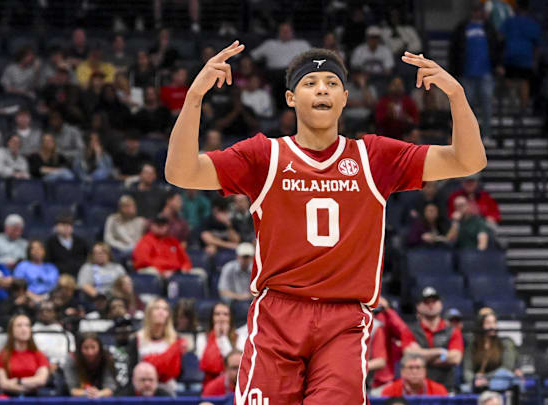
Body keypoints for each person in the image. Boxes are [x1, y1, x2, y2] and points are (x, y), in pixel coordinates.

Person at [164, 41, 486, 404]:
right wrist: (193, 97)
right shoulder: (264, 155)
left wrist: (457, 97)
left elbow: (468, 161)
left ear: (345, 98)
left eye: (331, 83)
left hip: (344, 319)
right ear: (290, 98)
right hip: (278, 314)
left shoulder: (374, 156)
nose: (322, 89)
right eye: (311, 82)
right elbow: (181, 172)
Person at [402, 287, 464, 391]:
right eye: (426, 302)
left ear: (440, 304)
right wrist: (441, 352)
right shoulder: (409, 330)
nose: (431, 305)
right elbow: (408, 355)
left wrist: (420, 355)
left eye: (434, 301)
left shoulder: (452, 331)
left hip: (446, 387)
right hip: (418, 390)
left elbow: (455, 358)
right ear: (418, 307)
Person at [128, 298, 185, 395]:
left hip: (168, 390)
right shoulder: (137, 338)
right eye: (157, 308)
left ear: (168, 315)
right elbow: (132, 370)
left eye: (165, 309)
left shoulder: (176, 340)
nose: (161, 312)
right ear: (149, 313)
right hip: (142, 392)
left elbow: (179, 372)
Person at [464, 312, 522, 393]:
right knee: (465, 387)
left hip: (497, 380)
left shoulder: (504, 343)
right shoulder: (473, 345)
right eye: (488, 323)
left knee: (504, 374)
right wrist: (474, 379)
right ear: (481, 326)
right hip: (477, 382)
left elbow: (506, 367)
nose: (492, 326)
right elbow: (467, 370)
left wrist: (485, 378)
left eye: (494, 323)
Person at [500, 0, 541, 109]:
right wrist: (535, 61)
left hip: (511, 56)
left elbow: (500, 37)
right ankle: (522, 108)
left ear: (516, 8)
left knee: (510, 80)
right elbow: (537, 45)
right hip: (525, 58)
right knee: (524, 82)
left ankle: (513, 100)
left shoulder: (509, 22)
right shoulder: (532, 23)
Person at [0, 315, 50, 396]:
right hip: (9, 397)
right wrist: (26, 386)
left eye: (27, 325)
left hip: (34, 397)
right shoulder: (3, 355)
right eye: (19, 325)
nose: (24, 329)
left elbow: (41, 380)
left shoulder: (38, 354)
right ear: (11, 330)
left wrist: (18, 381)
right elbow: (3, 383)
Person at [196, 302, 243, 386]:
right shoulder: (202, 337)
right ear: (212, 318)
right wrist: (215, 338)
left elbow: (235, 362)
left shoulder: (240, 337)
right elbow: (207, 364)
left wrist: (223, 338)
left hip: (235, 383)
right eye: (217, 314)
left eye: (225, 314)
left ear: (230, 318)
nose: (221, 317)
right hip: (210, 382)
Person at [64, 333, 117, 398]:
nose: (90, 352)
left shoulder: (107, 358)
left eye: (93, 347)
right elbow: (72, 389)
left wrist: (99, 394)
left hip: (102, 397)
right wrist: (86, 393)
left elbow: (110, 387)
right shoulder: (72, 359)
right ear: (79, 349)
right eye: (86, 348)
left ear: (99, 347)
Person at [380, 353, 448, 396]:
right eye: (410, 367)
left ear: (425, 371)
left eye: (418, 367)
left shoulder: (439, 391)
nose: (414, 371)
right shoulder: (389, 391)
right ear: (402, 371)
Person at [44, 213, 89, 278]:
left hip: (78, 274)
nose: (66, 227)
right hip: (59, 275)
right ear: (56, 227)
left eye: (69, 225)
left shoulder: (80, 241)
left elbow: (85, 258)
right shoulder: (50, 242)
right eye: (63, 225)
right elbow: (48, 262)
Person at [104, 195, 147, 259]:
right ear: (120, 208)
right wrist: (122, 246)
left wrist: (133, 247)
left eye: (131, 206)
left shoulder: (140, 221)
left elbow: (141, 240)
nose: (129, 209)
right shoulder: (113, 219)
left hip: (135, 250)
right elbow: (108, 238)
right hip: (117, 250)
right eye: (125, 206)